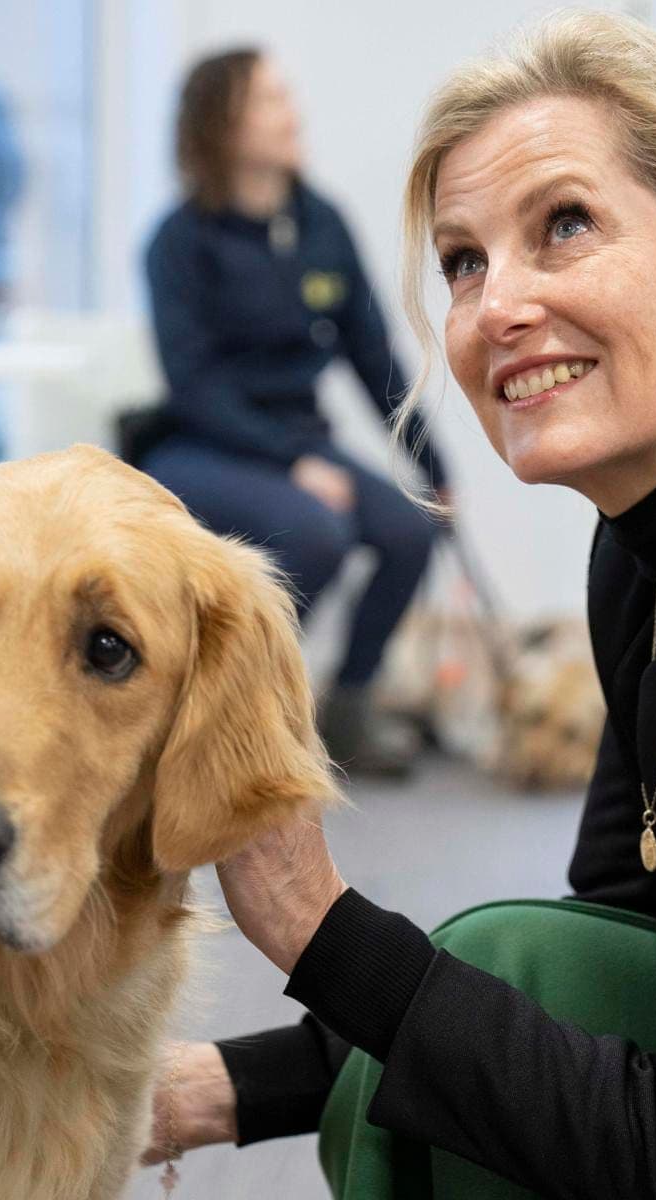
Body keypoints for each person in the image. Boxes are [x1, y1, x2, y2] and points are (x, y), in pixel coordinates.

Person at [145, 11, 656, 1198]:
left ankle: (349, 708)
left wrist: (319, 928)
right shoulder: (644, 558)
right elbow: (603, 965)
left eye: (564, 226)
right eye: (463, 263)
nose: (494, 306)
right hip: (225, 447)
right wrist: (219, 1087)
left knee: (496, 961)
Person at [140, 48, 450, 778]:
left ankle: (346, 711)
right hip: (200, 445)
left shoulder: (321, 224)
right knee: (319, 535)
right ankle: (236, 712)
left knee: (409, 530)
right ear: (223, 125)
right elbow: (193, 386)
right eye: (270, 99)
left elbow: (374, 358)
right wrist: (294, 462)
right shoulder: (178, 243)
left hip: (297, 442)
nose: (292, 113)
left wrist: (432, 468)